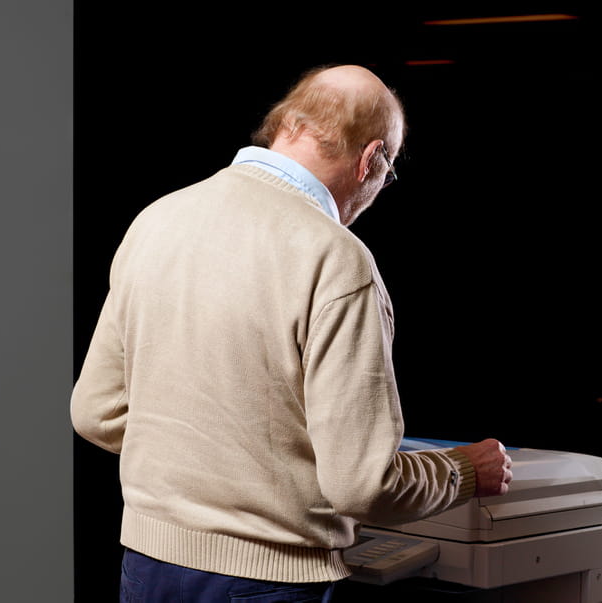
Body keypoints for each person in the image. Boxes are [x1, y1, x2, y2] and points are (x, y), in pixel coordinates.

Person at [71, 64, 513, 603]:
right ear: (371, 159)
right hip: (269, 581)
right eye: (387, 171)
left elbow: (94, 413)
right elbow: (362, 484)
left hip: (146, 566)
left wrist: (209, 458)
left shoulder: (158, 218)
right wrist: (464, 470)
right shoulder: (335, 259)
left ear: (288, 124)